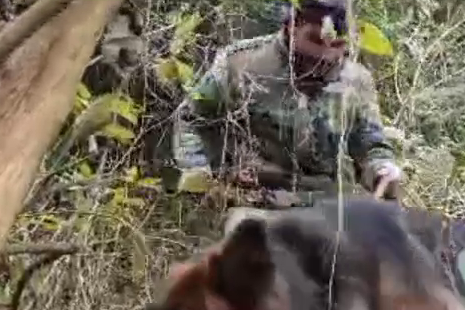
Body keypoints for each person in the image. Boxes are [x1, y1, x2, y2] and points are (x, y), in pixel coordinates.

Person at [171, 0, 403, 208]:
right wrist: (200, 174)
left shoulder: (356, 80)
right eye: (315, 40)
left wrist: (382, 169)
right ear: (291, 26)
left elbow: (370, 145)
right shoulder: (241, 63)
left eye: (337, 45)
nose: (326, 54)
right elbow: (192, 118)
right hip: (255, 203)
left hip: (328, 208)